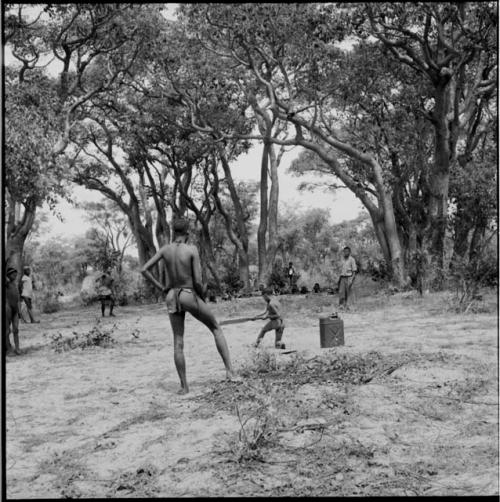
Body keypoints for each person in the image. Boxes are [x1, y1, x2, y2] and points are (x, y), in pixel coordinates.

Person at [141, 218, 238, 394]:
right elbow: (198, 281)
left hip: (171, 295)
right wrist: (202, 297)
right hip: (188, 294)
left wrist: (162, 287)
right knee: (216, 328)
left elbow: (144, 269)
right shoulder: (191, 250)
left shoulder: (165, 249)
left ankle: (184, 387)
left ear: (173, 232)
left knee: (178, 342)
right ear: (187, 233)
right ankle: (230, 372)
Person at [5, 267, 21, 355]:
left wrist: (19, 311)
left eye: (16, 274)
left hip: (15, 309)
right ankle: (8, 349)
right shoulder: (6, 283)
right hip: (8, 308)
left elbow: (18, 299)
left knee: (16, 329)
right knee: (7, 330)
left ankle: (17, 348)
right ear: (8, 275)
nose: (15, 275)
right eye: (13, 274)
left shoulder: (15, 284)